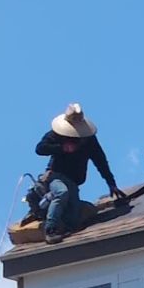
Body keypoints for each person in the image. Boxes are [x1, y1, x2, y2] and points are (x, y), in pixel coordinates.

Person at [32, 104, 124, 242]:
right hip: (56, 176)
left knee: (74, 218)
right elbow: (40, 149)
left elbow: (100, 161)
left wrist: (111, 183)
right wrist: (61, 148)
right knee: (62, 193)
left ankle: (64, 229)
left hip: (74, 181)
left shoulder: (88, 140)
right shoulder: (57, 135)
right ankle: (50, 229)